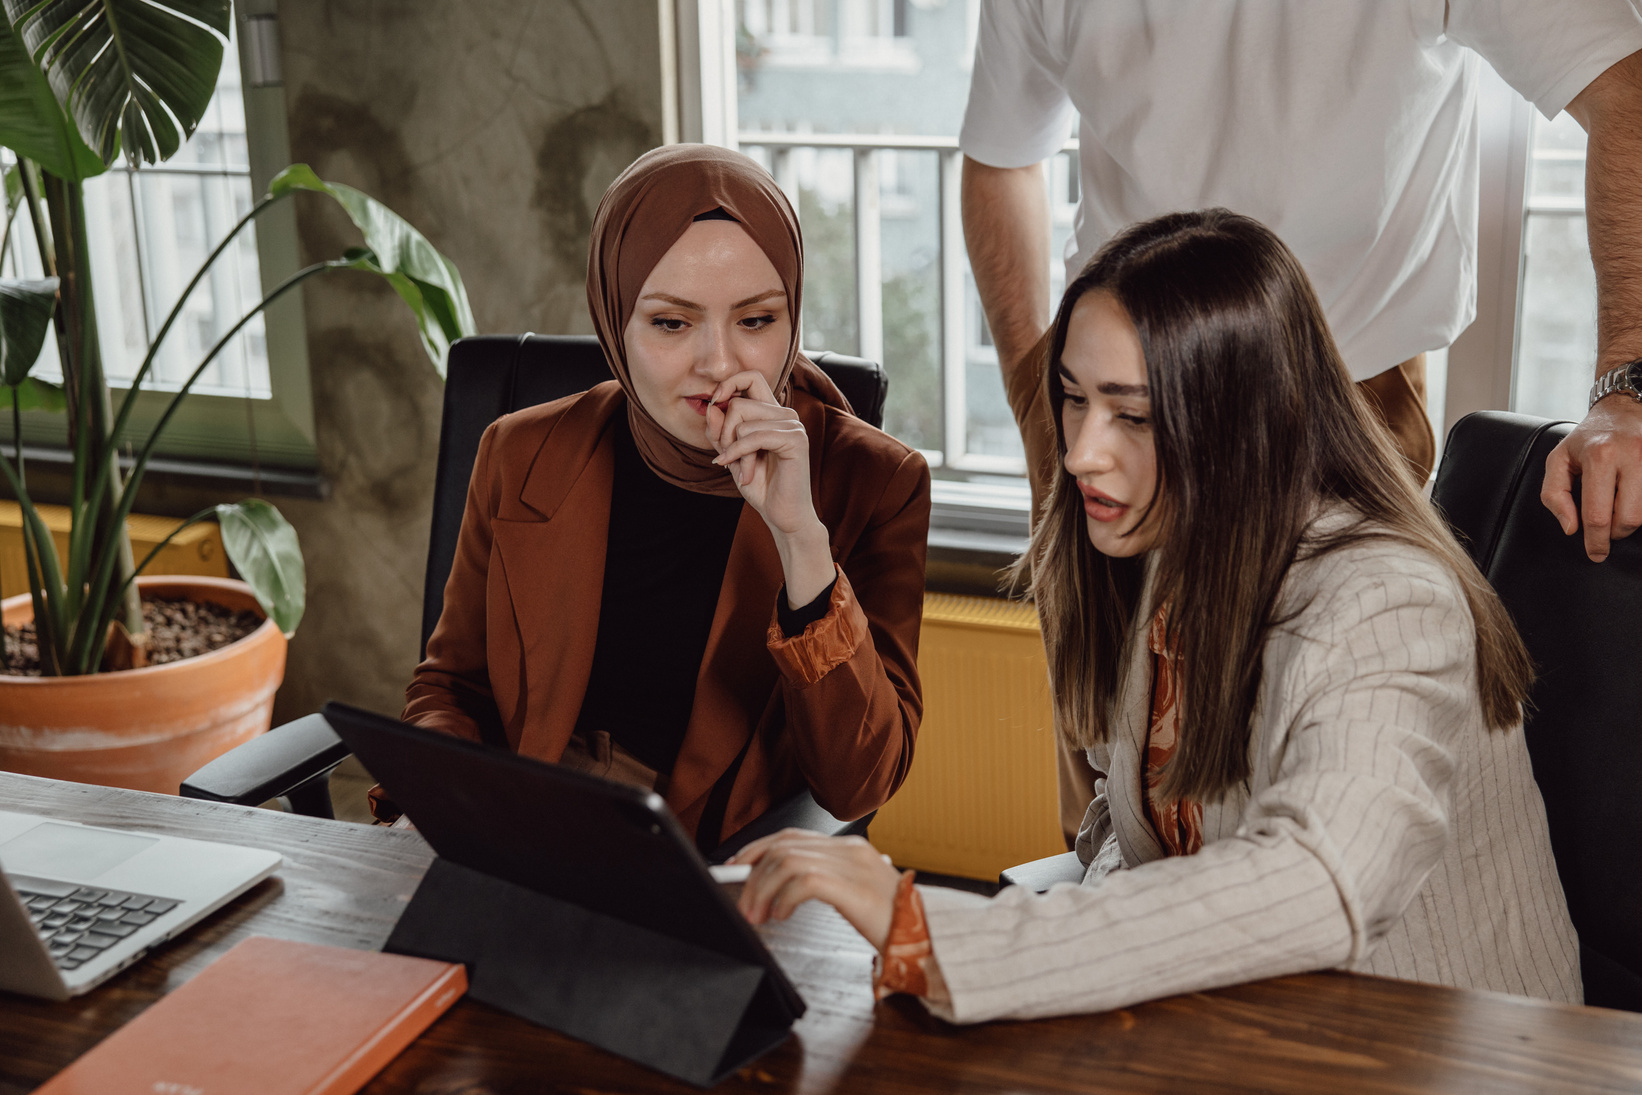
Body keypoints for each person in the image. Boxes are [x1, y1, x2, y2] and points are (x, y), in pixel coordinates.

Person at [730, 210, 1580, 1021]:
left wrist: (938, 929)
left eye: (1132, 414)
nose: (1080, 452)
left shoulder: (1388, 599)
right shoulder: (1170, 545)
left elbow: (1322, 880)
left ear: (1243, 419)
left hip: (1442, 1055)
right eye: (1074, 398)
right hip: (1246, 1025)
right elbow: (1135, 829)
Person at [960, 1, 1642, 846]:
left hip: (1343, 394)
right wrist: (1043, 401)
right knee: (1115, 802)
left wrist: (1627, 381)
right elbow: (999, 160)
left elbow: (1626, 90)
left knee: (1297, 803)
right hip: (1125, 393)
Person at [398, 144, 931, 850]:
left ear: (793, 317)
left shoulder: (875, 482)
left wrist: (802, 539)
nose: (718, 364)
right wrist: (442, 795)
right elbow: (451, 689)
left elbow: (858, 781)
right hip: (524, 829)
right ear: (616, 318)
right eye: (672, 324)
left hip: (714, 868)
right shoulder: (518, 452)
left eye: (757, 320)